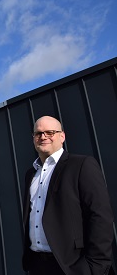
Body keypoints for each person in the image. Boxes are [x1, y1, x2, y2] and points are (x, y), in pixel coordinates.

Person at [22, 116, 115, 275]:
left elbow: (100, 216)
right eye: (38, 133)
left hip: (72, 265)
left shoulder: (81, 165)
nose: (43, 136)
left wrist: (96, 266)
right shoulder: (31, 174)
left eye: (50, 132)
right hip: (37, 264)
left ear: (62, 136)